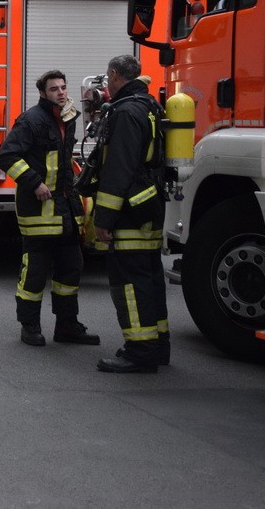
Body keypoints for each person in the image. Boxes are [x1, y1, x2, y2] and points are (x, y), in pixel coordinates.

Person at [0, 70, 99, 347]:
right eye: (54, 89)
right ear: (43, 93)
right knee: (35, 271)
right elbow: (6, 155)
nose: (61, 93)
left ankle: (67, 326)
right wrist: (34, 183)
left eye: (64, 87)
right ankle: (30, 326)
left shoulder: (68, 119)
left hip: (65, 209)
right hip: (39, 210)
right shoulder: (31, 120)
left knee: (71, 268)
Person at [93, 55, 169, 373]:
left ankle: (141, 351)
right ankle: (158, 346)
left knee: (129, 282)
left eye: (107, 78)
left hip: (129, 210)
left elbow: (118, 169)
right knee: (150, 277)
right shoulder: (150, 105)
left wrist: (103, 219)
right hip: (150, 204)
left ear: (113, 75)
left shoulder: (125, 111)